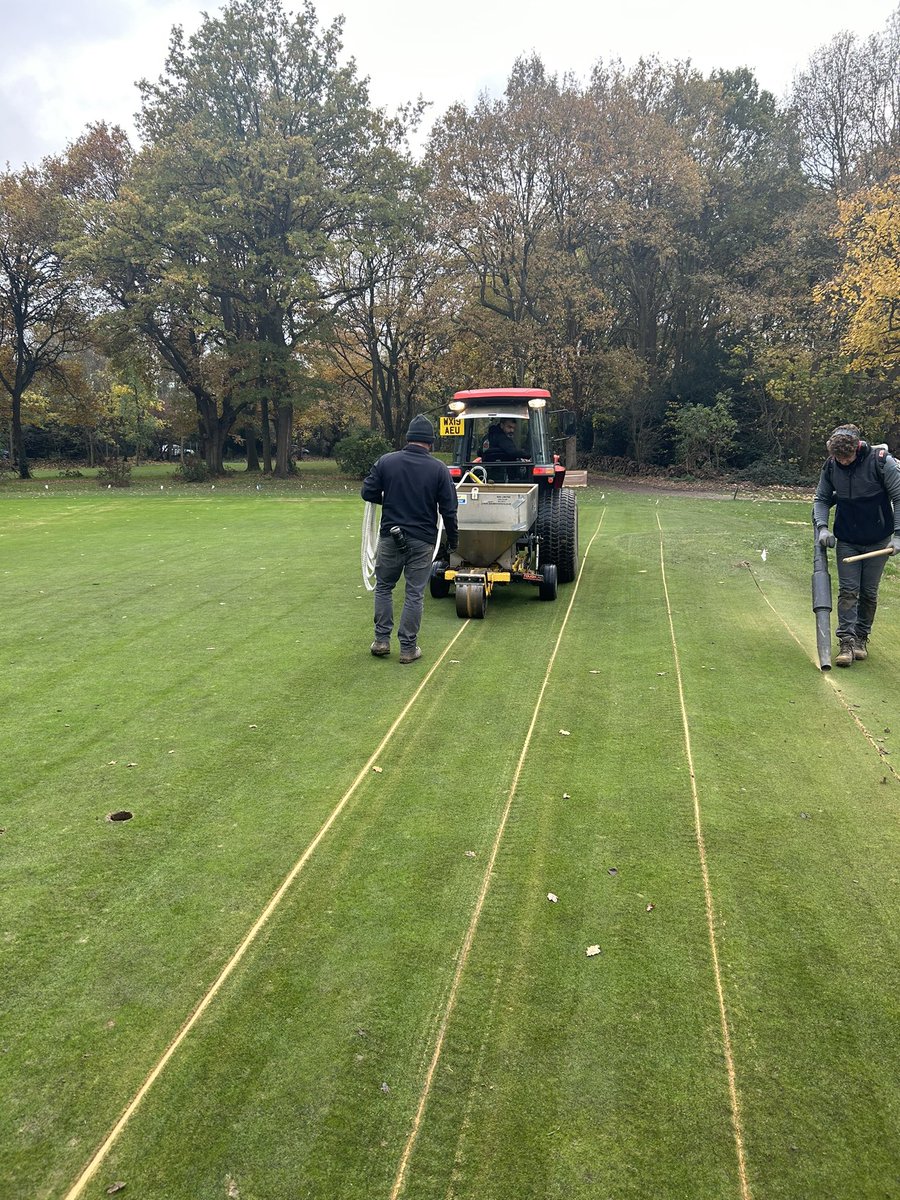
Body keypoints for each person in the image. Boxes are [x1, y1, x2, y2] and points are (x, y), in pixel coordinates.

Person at [361, 414, 458, 664]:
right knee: (414, 593)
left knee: (384, 587)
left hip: (390, 536)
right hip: (422, 539)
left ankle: (381, 641)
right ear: (430, 442)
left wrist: (391, 498)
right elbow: (449, 509)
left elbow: (368, 492)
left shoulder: (386, 462)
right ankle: (407, 648)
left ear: (408, 438)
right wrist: (453, 540)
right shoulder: (439, 469)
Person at [813, 424, 900, 666]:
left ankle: (861, 637)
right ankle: (846, 641)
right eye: (838, 457)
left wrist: (898, 535)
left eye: (846, 457)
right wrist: (822, 527)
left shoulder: (881, 463)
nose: (843, 461)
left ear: (857, 449)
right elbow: (821, 498)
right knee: (848, 591)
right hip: (848, 540)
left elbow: (899, 497)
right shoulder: (831, 466)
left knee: (869, 592)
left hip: (878, 540)